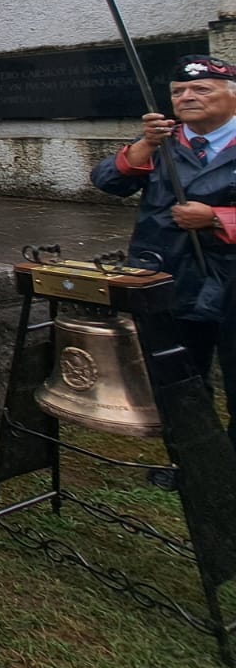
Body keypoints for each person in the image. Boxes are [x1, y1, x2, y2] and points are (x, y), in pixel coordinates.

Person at [91, 53, 236, 450]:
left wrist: (219, 218)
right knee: (178, 376)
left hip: (229, 280)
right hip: (172, 278)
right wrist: (144, 145)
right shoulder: (164, 142)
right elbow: (107, 181)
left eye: (201, 89)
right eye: (178, 91)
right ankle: (191, 459)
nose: (187, 96)